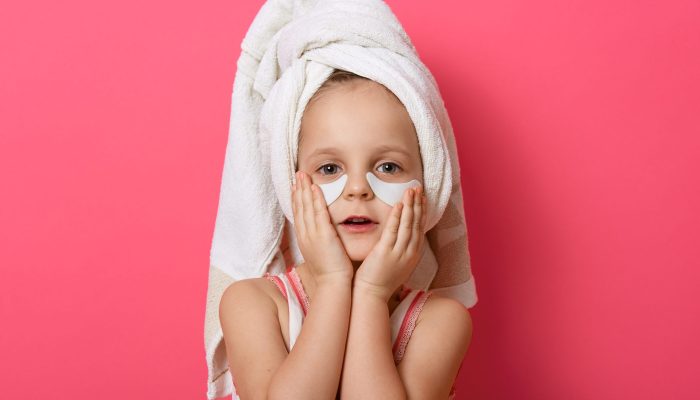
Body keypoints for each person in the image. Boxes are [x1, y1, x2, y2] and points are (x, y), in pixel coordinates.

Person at [219, 69, 473, 399]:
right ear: (290, 185)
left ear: (428, 187)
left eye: (388, 167)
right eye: (329, 168)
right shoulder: (253, 304)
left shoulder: (441, 321)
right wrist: (333, 282)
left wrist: (371, 293)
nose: (357, 188)